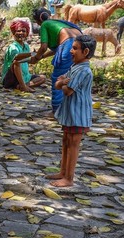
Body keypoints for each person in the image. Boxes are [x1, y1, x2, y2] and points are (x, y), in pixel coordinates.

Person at [46, 35, 96, 187]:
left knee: (73, 143)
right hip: (70, 112)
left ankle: (69, 178)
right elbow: (58, 85)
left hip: (78, 113)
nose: (71, 51)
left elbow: (67, 90)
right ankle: (63, 172)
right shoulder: (74, 68)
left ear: (85, 51)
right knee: (66, 141)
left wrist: (61, 82)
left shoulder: (83, 71)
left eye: (75, 48)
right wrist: (61, 83)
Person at [30, 7, 82, 114]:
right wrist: (42, 57)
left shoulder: (45, 24)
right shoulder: (60, 23)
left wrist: (36, 57)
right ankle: (75, 109)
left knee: (58, 78)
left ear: (38, 20)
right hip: (82, 47)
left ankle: (57, 111)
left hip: (68, 47)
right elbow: (58, 48)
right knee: (74, 78)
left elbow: (44, 47)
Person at [1, 20, 46, 93]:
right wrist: (31, 54)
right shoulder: (12, 47)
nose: (21, 33)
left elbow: (31, 60)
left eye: (23, 31)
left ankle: (21, 86)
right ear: (14, 32)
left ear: (27, 33)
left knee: (43, 78)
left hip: (25, 77)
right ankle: (24, 86)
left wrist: (38, 56)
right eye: (18, 31)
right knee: (17, 62)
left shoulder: (26, 46)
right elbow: (16, 57)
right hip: (11, 79)